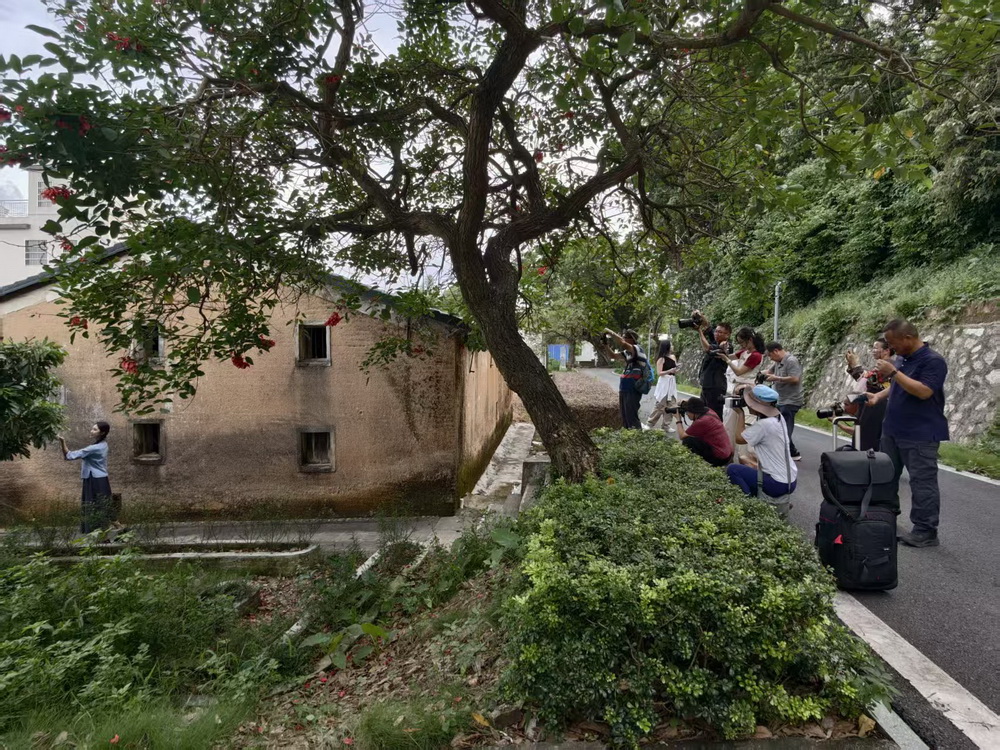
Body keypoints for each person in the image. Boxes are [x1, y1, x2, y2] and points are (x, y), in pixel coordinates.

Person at [865, 319, 949, 547]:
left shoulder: (933, 361)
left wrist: (893, 372)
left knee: (922, 483)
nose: (890, 348)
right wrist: (878, 396)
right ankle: (886, 519)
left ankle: (925, 530)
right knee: (886, 477)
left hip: (920, 434)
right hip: (892, 429)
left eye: (893, 343)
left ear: (908, 338)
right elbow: (899, 385)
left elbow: (923, 391)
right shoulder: (903, 358)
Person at [726, 386, 798, 497]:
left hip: (778, 483)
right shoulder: (778, 417)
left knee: (733, 469)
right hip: (790, 479)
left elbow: (739, 439)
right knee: (746, 462)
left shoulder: (764, 425)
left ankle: (749, 502)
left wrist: (740, 414)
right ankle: (766, 499)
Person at [833, 338, 895, 450]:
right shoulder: (881, 365)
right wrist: (853, 365)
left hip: (877, 408)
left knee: (866, 439)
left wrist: (855, 365)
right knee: (863, 436)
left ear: (887, 351)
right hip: (872, 406)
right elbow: (865, 379)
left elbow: (869, 379)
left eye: (876, 348)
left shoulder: (888, 366)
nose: (873, 350)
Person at [59, 422, 113, 534]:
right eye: (92, 428)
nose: (91, 431)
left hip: (94, 479)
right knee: (103, 504)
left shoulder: (94, 448)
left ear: (102, 433)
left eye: (95, 429)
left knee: (94, 505)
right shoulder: (104, 444)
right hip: (100, 478)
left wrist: (62, 441)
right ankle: (112, 530)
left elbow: (69, 455)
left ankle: (101, 533)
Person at [762, 342, 804, 461]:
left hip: (791, 400)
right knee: (781, 427)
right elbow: (769, 371)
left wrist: (777, 378)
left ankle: (784, 454)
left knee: (784, 429)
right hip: (781, 399)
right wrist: (760, 374)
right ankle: (793, 453)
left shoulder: (791, 361)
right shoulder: (778, 362)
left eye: (770, 355)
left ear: (776, 351)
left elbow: (795, 378)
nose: (770, 358)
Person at [691, 310, 731, 419]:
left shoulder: (726, 346)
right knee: (703, 413)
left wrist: (699, 331)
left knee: (714, 415)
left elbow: (707, 348)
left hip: (716, 386)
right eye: (716, 331)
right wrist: (699, 316)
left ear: (727, 335)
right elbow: (708, 327)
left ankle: (717, 430)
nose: (716, 333)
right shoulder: (716, 342)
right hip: (707, 385)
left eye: (720, 332)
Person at [604, 328, 647, 430]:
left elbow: (622, 343)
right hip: (624, 387)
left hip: (633, 387)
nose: (623, 338)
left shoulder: (637, 349)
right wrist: (605, 344)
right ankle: (628, 435)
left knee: (631, 416)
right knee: (625, 416)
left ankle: (636, 436)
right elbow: (613, 355)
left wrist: (610, 332)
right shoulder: (627, 353)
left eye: (625, 337)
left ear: (632, 339)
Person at [673, 397, 734, 467]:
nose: (686, 414)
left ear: (694, 411)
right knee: (694, 438)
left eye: (687, 412)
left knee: (688, 441)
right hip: (727, 453)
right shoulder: (709, 411)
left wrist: (678, 419)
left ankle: (694, 466)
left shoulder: (702, 421)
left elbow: (682, 436)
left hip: (720, 458)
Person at [645, 339, 679, 431]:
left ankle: (666, 425)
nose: (672, 346)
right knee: (660, 405)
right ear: (667, 347)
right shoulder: (661, 359)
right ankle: (650, 423)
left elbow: (674, 369)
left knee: (672, 405)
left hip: (671, 382)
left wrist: (676, 370)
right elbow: (659, 373)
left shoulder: (673, 357)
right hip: (664, 383)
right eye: (671, 345)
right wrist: (669, 371)